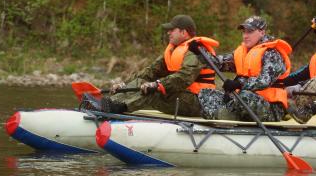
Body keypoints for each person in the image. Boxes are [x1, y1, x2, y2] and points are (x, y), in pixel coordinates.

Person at [82, 14, 219, 116]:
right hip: (183, 97)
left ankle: (114, 108)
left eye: (172, 30)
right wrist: (124, 84)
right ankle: (108, 103)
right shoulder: (173, 50)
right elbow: (150, 71)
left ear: (184, 32)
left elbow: (183, 78)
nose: (168, 32)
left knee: (154, 91)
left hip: (200, 102)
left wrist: (157, 85)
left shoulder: (196, 50)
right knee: (142, 82)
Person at [199, 16, 292, 122]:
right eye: (244, 32)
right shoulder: (242, 52)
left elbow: (264, 81)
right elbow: (218, 63)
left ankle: (226, 115)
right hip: (242, 101)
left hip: (271, 108)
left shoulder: (272, 53)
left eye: (250, 32)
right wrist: (200, 52)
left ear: (262, 32)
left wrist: (238, 84)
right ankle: (226, 114)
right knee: (205, 93)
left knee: (244, 95)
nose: (245, 36)